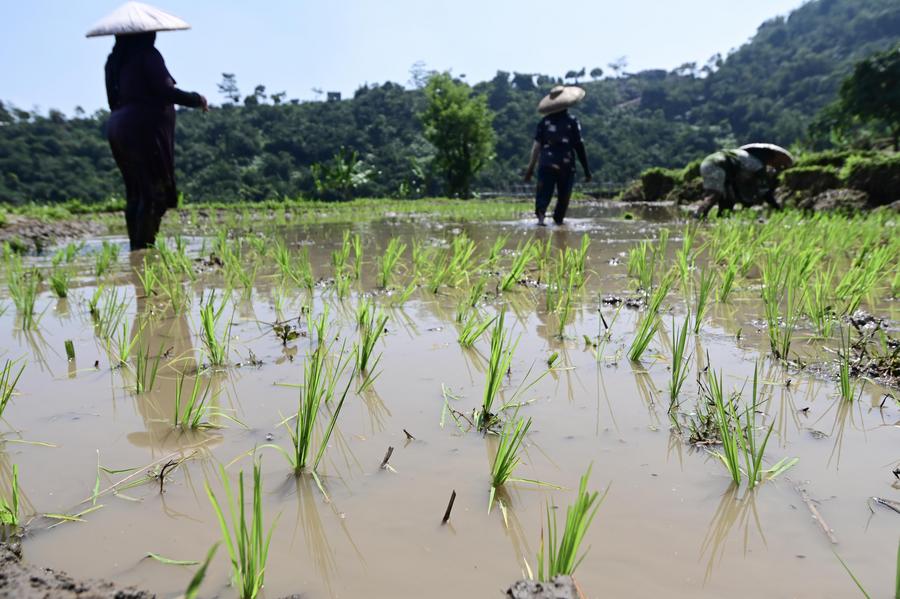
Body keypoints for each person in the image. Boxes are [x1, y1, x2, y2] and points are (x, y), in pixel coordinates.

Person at [88, 3, 207, 249]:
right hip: (144, 128)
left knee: (135, 191)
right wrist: (196, 99)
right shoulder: (148, 55)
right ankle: (144, 251)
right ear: (147, 33)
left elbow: (112, 100)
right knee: (154, 194)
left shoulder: (113, 62)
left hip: (118, 126)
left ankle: (136, 247)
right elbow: (165, 90)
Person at [524, 86, 592, 226]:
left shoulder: (543, 123)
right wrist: (586, 170)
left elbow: (536, 147)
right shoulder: (572, 122)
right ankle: (558, 221)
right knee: (564, 196)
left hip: (546, 163)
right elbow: (579, 145)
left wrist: (530, 169)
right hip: (565, 164)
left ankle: (541, 218)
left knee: (543, 192)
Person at [696, 144, 793, 218]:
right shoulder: (757, 165)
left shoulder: (744, 157)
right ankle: (697, 218)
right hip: (717, 165)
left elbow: (738, 181)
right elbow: (765, 192)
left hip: (709, 162)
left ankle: (719, 222)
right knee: (714, 196)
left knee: (728, 200)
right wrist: (778, 209)